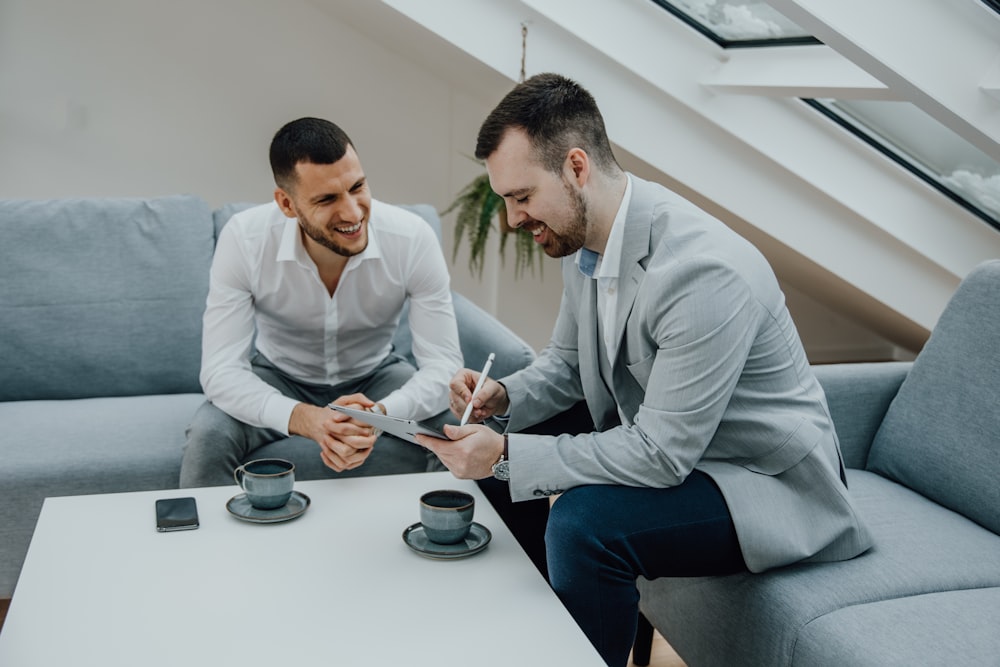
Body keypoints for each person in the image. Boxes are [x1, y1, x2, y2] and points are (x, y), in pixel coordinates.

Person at [417, 74, 872, 667]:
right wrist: (499, 398)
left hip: (762, 480)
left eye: (521, 196)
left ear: (576, 168)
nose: (510, 218)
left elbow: (661, 454)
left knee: (584, 523)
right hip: (689, 446)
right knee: (506, 436)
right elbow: (566, 366)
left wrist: (503, 458)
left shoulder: (701, 271)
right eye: (505, 199)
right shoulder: (582, 242)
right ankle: (537, 628)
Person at [180, 117, 462, 488]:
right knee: (208, 436)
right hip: (279, 376)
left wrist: (379, 414)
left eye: (357, 187)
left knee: (455, 430)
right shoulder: (244, 240)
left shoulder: (412, 239)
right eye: (327, 199)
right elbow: (220, 372)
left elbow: (444, 367)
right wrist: (305, 418)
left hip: (377, 376)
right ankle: (207, 547)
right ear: (286, 203)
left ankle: (441, 540)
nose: (352, 213)